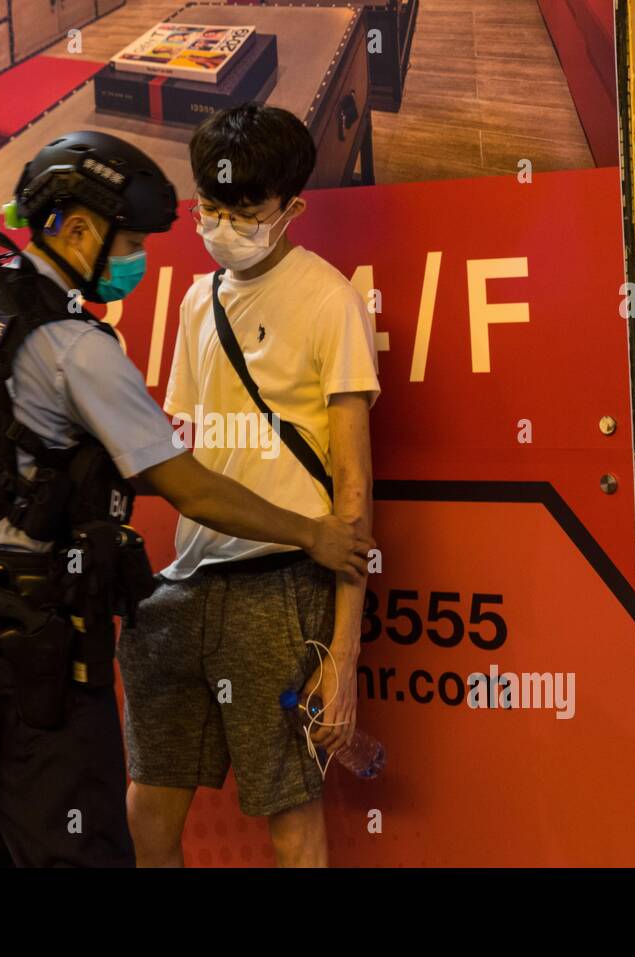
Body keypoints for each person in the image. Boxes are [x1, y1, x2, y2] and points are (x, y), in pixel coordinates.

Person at [0, 130, 372, 868]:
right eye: (129, 241)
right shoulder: (76, 343)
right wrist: (312, 532)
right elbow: (182, 478)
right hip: (41, 638)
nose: (135, 259)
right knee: (82, 839)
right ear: (77, 229)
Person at [119, 104, 380, 867]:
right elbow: (185, 457)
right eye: (211, 207)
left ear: (290, 208)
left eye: (245, 210)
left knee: (289, 813)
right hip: (183, 589)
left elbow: (354, 488)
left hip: (282, 589)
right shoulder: (198, 300)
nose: (224, 224)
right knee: (149, 803)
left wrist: (344, 652)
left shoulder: (330, 301)